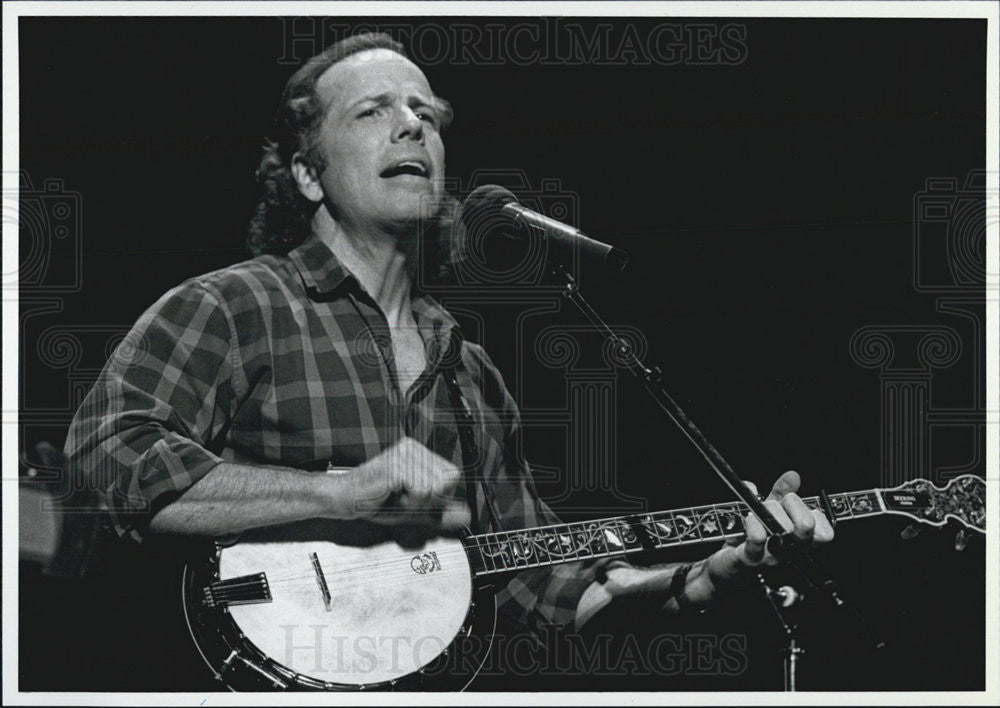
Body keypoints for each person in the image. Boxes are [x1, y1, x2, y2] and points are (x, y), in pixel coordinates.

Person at [65, 32, 834, 686]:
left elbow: (542, 586)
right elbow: (105, 459)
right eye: (374, 112)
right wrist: (340, 495)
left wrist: (703, 579)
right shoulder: (235, 306)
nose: (412, 128)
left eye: (425, 115)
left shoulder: (471, 373)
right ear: (307, 174)